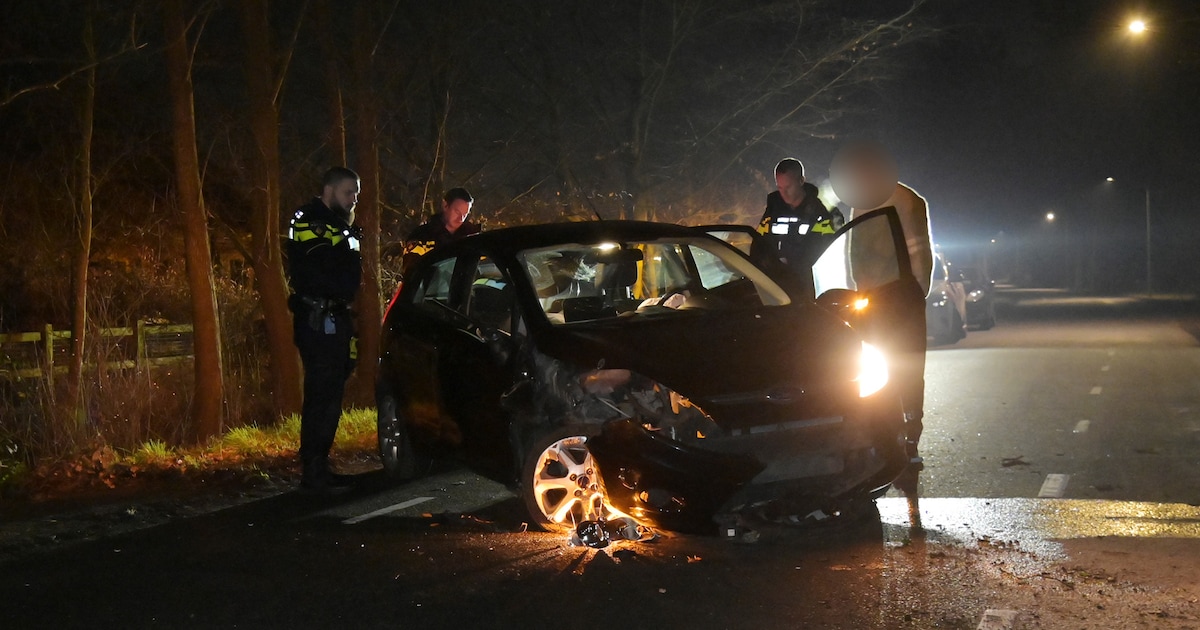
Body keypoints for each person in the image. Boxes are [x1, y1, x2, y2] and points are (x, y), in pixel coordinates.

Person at [831, 142, 933, 466]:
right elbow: (853, 250)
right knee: (877, 371)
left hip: (899, 295)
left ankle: (909, 438)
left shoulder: (907, 201)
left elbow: (920, 252)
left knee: (907, 370)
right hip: (873, 298)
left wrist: (916, 293)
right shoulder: (861, 202)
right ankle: (882, 436)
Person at [286, 166, 363, 493]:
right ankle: (313, 469)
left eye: (356, 194)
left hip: (337, 318)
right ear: (329, 190)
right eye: (349, 193)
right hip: (319, 319)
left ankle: (321, 465)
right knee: (320, 393)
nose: (353, 200)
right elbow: (322, 269)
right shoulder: (310, 220)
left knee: (332, 393)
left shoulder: (339, 224)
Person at [751, 158, 845, 272]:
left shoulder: (821, 212)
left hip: (809, 280)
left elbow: (830, 252)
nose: (783, 193)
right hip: (775, 280)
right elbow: (758, 244)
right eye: (780, 187)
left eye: (788, 187)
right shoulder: (773, 210)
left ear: (801, 181)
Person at [400, 187, 481, 276]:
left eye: (465, 214)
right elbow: (411, 273)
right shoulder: (422, 236)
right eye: (457, 212)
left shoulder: (473, 240)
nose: (461, 219)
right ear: (445, 205)